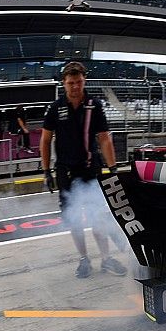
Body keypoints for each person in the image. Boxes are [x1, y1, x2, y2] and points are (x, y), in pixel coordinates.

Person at [40, 61, 127, 279]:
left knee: (96, 215)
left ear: (84, 80)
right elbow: (45, 139)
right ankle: (83, 259)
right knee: (74, 218)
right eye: (71, 83)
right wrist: (46, 171)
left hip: (90, 169)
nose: (75, 86)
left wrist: (113, 169)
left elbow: (105, 139)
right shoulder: (55, 107)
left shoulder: (94, 105)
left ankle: (106, 259)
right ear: (64, 83)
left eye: (78, 82)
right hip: (65, 172)